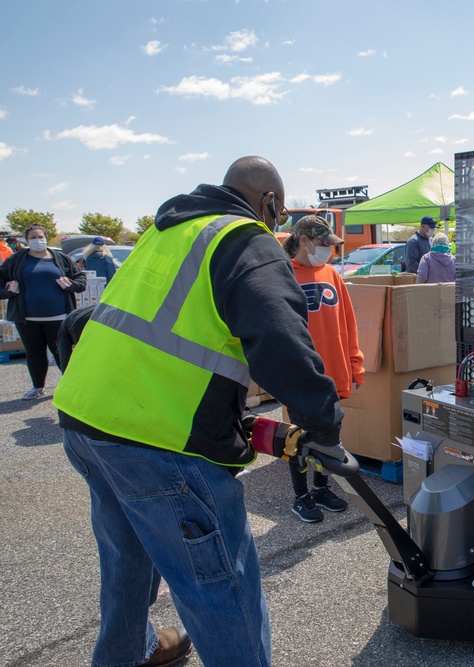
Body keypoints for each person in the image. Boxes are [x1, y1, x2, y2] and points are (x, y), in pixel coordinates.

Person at [52, 156, 347, 667]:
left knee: (128, 560)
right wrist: (324, 426)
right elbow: (281, 340)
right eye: (276, 213)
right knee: (221, 589)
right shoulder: (245, 237)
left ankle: (130, 652)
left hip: (87, 420)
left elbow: (81, 321)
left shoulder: (162, 232)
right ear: (271, 202)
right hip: (157, 441)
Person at [280, 215, 364, 522]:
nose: (328, 250)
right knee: (299, 438)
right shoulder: (284, 274)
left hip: (332, 374)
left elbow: (348, 322)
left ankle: (320, 488)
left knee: (329, 433)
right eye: (323, 244)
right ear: (303, 241)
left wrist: (355, 363)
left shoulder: (331, 274)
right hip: (300, 375)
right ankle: (300, 496)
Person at [0, 224, 87, 399]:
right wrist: (8, 292)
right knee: (34, 353)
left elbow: (80, 280)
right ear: (26, 240)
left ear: (46, 238)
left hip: (59, 316)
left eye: (40, 236)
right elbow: (1, 282)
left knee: (62, 352)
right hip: (27, 318)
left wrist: (71, 285)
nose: (37, 240)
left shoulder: (61, 259)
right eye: (32, 237)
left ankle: (72, 386)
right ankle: (38, 387)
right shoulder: (16, 260)